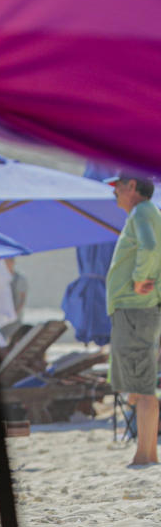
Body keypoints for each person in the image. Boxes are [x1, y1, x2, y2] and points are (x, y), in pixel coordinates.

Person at [106, 173, 161, 465]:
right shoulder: (147, 212)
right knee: (140, 384)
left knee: (140, 386)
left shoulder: (142, 211)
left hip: (134, 308)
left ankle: (144, 454)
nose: (113, 191)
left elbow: (150, 247)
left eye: (117, 185)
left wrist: (142, 279)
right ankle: (147, 452)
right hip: (138, 309)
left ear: (132, 187)